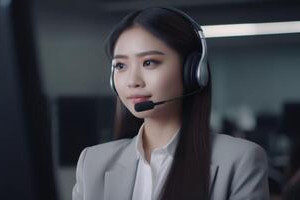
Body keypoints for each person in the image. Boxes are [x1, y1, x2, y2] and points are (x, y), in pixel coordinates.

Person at [72, 7, 269, 200]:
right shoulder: (92, 162)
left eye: (149, 62)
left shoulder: (240, 160)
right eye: (121, 65)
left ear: (193, 72)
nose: (133, 81)